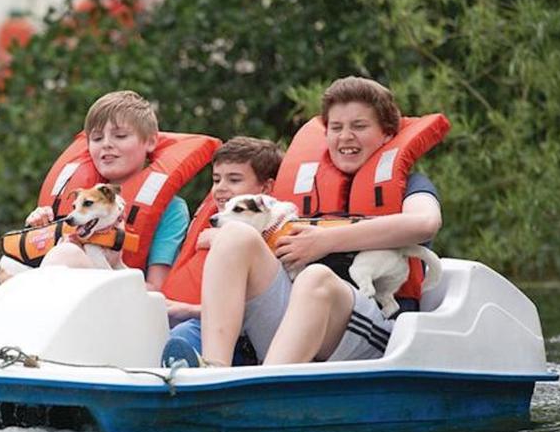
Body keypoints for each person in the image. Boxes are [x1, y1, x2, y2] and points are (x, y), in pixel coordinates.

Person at [163, 76, 443, 368]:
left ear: (386, 135)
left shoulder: (410, 185)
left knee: (315, 277)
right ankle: (214, 369)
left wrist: (324, 241)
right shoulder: (298, 191)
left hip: (369, 330)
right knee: (235, 235)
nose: (346, 136)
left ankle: (267, 389)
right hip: (293, 323)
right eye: (336, 127)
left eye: (359, 126)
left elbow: (425, 223)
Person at [24, 89, 189, 290]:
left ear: (151, 142)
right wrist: (38, 229)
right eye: (97, 138)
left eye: (120, 136)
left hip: (120, 302)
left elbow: (156, 287)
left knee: (67, 254)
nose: (107, 144)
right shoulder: (78, 197)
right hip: (64, 290)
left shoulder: (172, 210)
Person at [159, 136, 284, 365]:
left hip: (249, 343)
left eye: (234, 180)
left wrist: (190, 310)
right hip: (199, 325)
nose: (220, 189)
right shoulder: (212, 224)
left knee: (185, 333)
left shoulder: (275, 233)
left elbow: (257, 312)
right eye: (216, 180)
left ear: (266, 188)